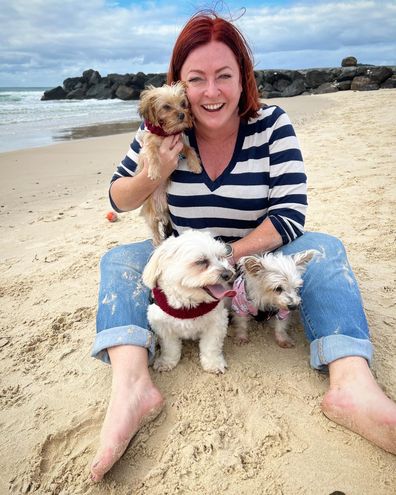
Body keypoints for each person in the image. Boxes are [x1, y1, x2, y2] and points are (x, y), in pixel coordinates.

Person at [90, 11, 396, 482]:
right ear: (179, 85)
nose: (211, 92)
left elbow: (291, 213)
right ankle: (132, 387)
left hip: (253, 251)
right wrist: (157, 173)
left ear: (243, 78)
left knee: (327, 248)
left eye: (224, 76)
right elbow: (117, 198)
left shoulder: (271, 123)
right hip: (183, 253)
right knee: (117, 261)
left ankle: (352, 386)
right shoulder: (161, 132)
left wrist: (228, 262)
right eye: (196, 79)